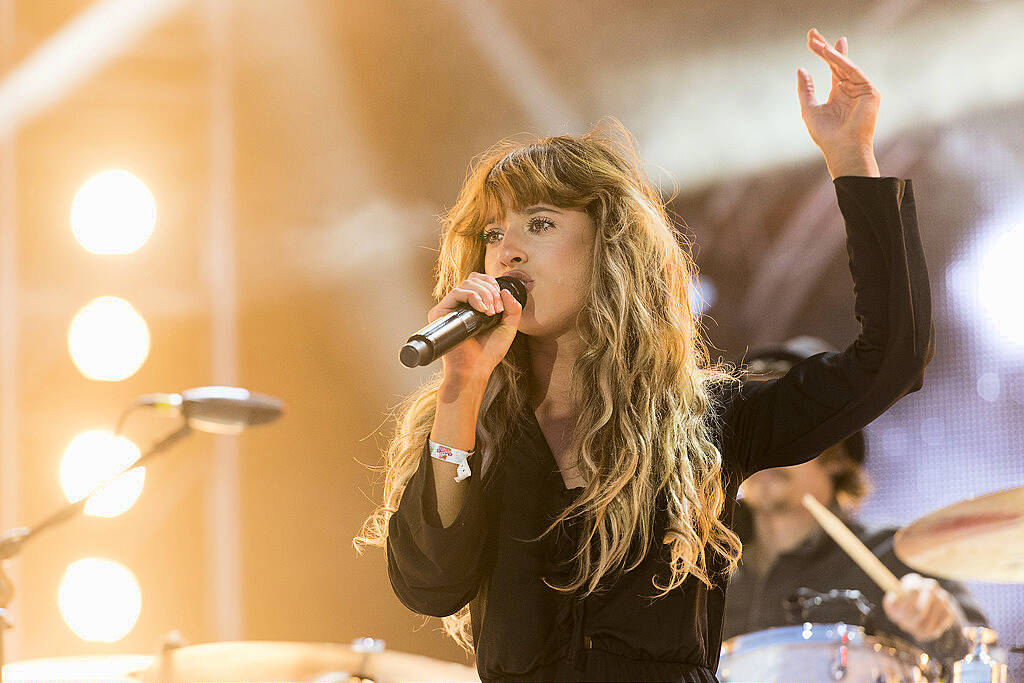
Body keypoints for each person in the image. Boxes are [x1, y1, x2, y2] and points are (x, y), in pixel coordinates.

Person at [355, 29, 934, 682]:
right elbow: (429, 584)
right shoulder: (479, 422)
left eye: (539, 224)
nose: (507, 250)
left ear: (610, 248)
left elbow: (891, 356)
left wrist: (851, 155)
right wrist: (461, 386)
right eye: (493, 233)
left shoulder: (708, 420)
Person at [722, 337, 987, 664]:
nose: (763, 445)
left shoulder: (897, 557)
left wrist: (943, 628)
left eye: (783, 426)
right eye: (751, 428)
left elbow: (980, 663)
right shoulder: (697, 571)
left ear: (837, 451)